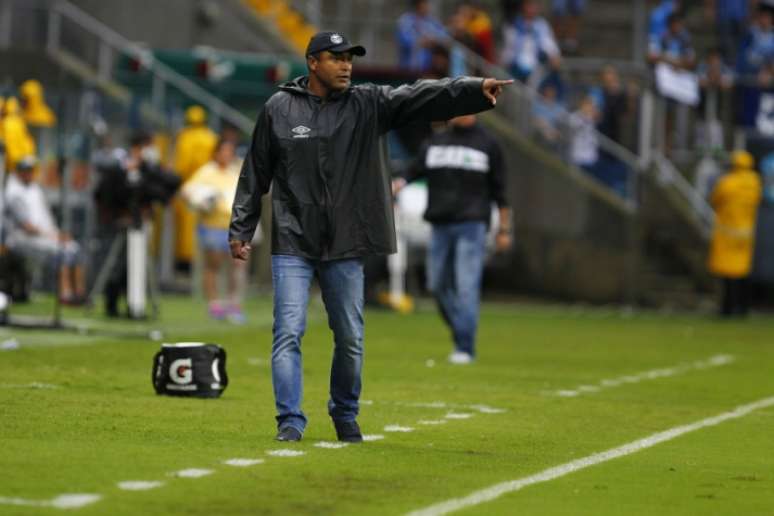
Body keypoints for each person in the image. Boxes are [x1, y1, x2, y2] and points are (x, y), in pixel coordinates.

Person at [229, 31, 512, 442]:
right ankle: (289, 420)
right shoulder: (279, 108)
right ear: (313, 62)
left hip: (347, 240)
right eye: (336, 57)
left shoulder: (368, 104)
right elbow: (255, 172)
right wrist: (242, 226)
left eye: (350, 59)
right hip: (293, 239)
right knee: (288, 331)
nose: (346, 65)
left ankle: (344, 412)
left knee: (350, 337)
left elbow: (420, 96)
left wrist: (471, 90)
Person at [392, 115, 512, 364]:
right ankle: (461, 330)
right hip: (440, 224)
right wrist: (399, 183)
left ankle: (464, 347)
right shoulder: (437, 141)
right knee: (436, 285)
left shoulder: (488, 143)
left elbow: (501, 191)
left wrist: (504, 230)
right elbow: (413, 170)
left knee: (466, 286)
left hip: (472, 224)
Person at [94, 132, 180, 317]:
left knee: (137, 265)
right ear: (136, 148)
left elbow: (171, 184)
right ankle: (112, 304)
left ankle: (135, 305)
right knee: (117, 264)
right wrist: (117, 215)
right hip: (120, 222)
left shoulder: (148, 169)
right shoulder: (119, 168)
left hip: (142, 222)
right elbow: (105, 193)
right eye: (146, 147)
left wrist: (152, 167)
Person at [182, 139, 248, 323]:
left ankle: (234, 305)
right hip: (212, 226)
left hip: (235, 226)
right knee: (213, 265)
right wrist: (203, 201)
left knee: (237, 266)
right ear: (217, 152)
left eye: (230, 151)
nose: (227, 155)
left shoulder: (235, 171)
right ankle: (215, 305)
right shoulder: (207, 171)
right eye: (224, 151)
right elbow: (188, 191)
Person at [4, 156, 86, 304]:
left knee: (75, 249)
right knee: (63, 252)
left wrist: (56, 234)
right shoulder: (13, 193)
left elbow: (45, 219)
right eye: (26, 170)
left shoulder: (34, 189)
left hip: (43, 236)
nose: (29, 173)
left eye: (31, 170)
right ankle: (65, 294)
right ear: (19, 172)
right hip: (22, 239)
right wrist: (53, 236)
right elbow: (27, 226)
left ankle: (79, 294)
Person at [707, 150, 763, 317]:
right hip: (746, 235)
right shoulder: (754, 183)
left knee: (727, 273)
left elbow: (715, 199)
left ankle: (727, 308)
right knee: (742, 272)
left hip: (727, 233)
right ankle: (743, 307)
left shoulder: (727, 183)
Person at [172, 105, 218, 270]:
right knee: (208, 224)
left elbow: (181, 165)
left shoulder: (184, 137)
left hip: (189, 187)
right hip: (209, 185)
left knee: (186, 227)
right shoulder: (211, 137)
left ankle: (185, 263)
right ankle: (204, 261)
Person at [500, 0, 562, 83]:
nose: (532, 9)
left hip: (535, 66)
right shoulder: (512, 24)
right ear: (523, 6)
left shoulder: (542, 25)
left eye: (534, 5)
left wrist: (554, 55)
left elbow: (549, 45)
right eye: (529, 5)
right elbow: (509, 48)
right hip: (515, 65)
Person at [396, 0, 448, 71]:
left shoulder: (431, 21)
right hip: (408, 66)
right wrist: (421, 42)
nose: (427, 7)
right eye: (424, 4)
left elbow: (444, 36)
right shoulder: (405, 20)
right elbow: (404, 40)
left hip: (428, 67)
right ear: (418, 5)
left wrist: (434, 41)